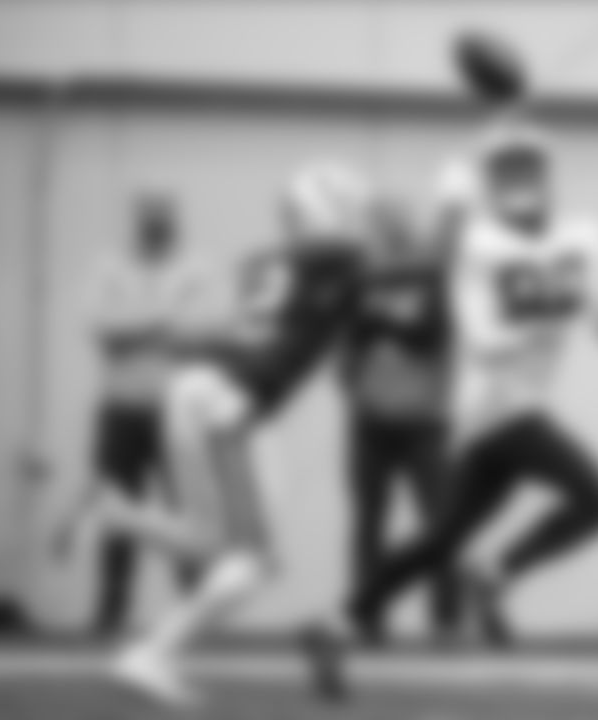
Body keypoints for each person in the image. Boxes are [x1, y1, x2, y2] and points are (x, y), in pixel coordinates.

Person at [303, 118, 598, 701]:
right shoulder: (477, 246)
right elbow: (484, 338)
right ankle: (498, 573)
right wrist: (564, 300)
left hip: (507, 414)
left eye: (528, 165)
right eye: (507, 167)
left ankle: (337, 623)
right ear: (490, 181)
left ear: (547, 174)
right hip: (500, 409)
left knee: (440, 541)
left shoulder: (581, 235)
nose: (520, 177)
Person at [87, 162, 375, 707]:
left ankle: (119, 514)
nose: (362, 222)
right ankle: (151, 654)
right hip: (231, 403)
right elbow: (352, 265)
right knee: (257, 562)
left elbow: (232, 326)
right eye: (352, 210)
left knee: (210, 539)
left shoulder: (270, 260)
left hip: (197, 390)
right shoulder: (337, 260)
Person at [52, 193, 203, 634]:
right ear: (137, 222)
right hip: (119, 406)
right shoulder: (109, 267)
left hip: (177, 410)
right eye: (149, 218)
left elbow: (199, 336)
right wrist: (159, 323)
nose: (157, 225)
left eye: (164, 218)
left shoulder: (196, 269)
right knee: (115, 508)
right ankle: (111, 610)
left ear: (174, 222)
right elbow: (104, 334)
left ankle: (195, 612)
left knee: (186, 513)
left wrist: (136, 326)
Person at [337, 197, 460, 645]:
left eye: (395, 228)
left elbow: (429, 336)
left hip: (424, 420)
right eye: (380, 229)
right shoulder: (361, 283)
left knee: (441, 522)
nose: (388, 238)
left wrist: (380, 322)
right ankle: (368, 617)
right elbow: (350, 345)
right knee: (368, 522)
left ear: (410, 232)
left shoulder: (431, 279)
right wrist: (357, 371)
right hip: (370, 420)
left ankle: (446, 618)